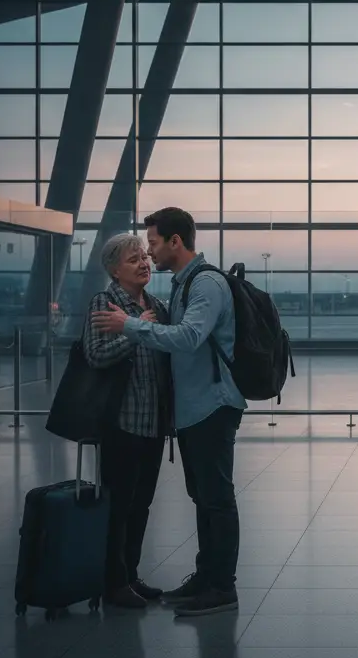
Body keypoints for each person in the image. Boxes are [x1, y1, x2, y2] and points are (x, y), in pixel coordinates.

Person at [92, 207, 245, 616]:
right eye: (140, 253)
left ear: (175, 242)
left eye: (153, 245)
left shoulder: (205, 284)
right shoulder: (179, 286)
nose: (149, 255)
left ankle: (221, 586)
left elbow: (190, 336)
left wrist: (130, 326)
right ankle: (206, 576)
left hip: (211, 405)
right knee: (203, 497)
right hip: (191, 411)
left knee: (216, 498)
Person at [83, 234, 172, 610]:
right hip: (121, 422)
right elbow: (95, 355)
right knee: (118, 506)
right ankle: (113, 582)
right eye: (134, 259)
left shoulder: (156, 305)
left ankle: (130, 575)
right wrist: (136, 332)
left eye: (144, 258)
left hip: (153, 423)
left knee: (142, 505)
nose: (144, 264)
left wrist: (144, 325)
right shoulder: (105, 303)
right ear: (114, 269)